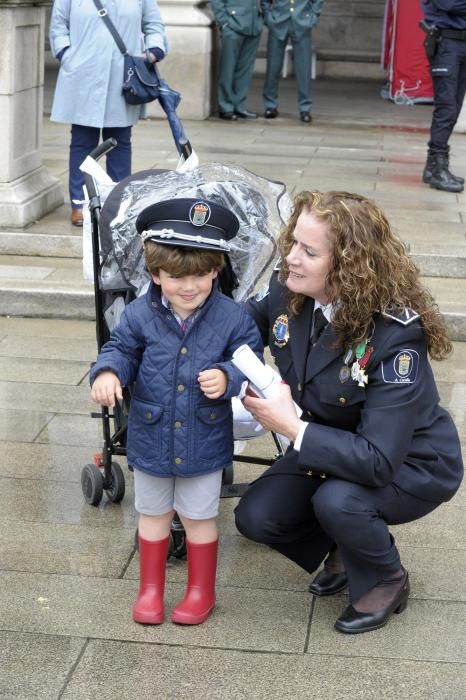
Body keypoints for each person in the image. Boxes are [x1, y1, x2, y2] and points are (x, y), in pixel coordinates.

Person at [234, 190, 464, 634]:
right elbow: (240, 326)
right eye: (292, 242)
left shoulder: (395, 337)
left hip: (408, 461)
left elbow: (378, 460)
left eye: (308, 251)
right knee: (256, 517)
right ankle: (348, 545)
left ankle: (385, 577)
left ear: (347, 264)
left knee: (338, 501)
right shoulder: (289, 289)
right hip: (328, 443)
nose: (291, 258)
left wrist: (291, 427)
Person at [90, 198, 263, 625]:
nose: (190, 287)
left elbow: (250, 363)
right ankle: (149, 590)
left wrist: (228, 377)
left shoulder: (232, 317)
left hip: (203, 439)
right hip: (151, 437)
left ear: (216, 269)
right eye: (177, 277)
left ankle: (201, 591)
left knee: (200, 516)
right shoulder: (138, 314)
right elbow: (120, 349)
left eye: (202, 275)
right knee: (152, 516)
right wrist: (108, 371)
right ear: (155, 274)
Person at [49, 0, 168, 226]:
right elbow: (58, 25)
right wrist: (66, 55)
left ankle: (117, 205)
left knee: (120, 142)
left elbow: (154, 24)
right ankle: (81, 204)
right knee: (83, 141)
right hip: (83, 74)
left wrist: (153, 52)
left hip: (123, 76)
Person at [421, 0, 466, 193]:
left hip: (460, 43)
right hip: (447, 44)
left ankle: (432, 168)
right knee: (446, 107)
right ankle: (439, 168)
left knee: (454, 107)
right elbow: (450, 5)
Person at [262, 0, 324, 122]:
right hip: (278, 21)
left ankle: (305, 108)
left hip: (302, 22)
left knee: (304, 68)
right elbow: (265, 1)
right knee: (273, 67)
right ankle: (270, 105)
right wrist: (269, 17)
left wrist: (313, 17)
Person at [210, 0, 263, 120]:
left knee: (245, 70)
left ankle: (239, 106)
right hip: (233, 25)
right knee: (228, 69)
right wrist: (224, 22)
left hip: (253, 25)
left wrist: (263, 18)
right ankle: (225, 107)